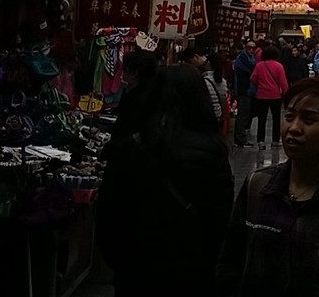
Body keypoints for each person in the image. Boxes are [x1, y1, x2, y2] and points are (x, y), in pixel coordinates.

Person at [215, 79, 319, 297]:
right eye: (289, 117)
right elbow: (230, 263)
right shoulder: (257, 186)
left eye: (308, 119)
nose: (294, 128)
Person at [97, 65, 233, 297]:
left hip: (137, 269)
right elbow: (220, 219)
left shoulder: (131, 147)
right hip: (192, 271)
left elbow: (109, 212)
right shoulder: (213, 151)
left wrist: (120, 262)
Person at [106, 49, 158, 156]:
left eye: (125, 70)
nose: (122, 74)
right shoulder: (152, 95)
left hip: (128, 157)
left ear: (134, 73)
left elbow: (125, 132)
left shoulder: (136, 100)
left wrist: (109, 150)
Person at [251, 44, 289, 149]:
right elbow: (283, 82)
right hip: (275, 95)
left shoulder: (259, 65)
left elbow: (253, 78)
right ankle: (275, 140)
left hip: (262, 95)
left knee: (262, 119)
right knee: (276, 119)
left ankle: (261, 141)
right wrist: (286, 94)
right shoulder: (278, 66)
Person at [232, 40, 257, 147]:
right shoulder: (242, 58)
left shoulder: (250, 58)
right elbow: (251, 70)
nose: (251, 50)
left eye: (253, 48)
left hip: (248, 90)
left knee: (245, 114)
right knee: (243, 115)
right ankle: (240, 139)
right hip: (244, 90)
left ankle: (241, 137)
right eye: (249, 48)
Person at [203, 52, 228, 128]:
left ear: (209, 63)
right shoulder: (223, 81)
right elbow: (223, 100)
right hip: (218, 114)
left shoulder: (204, 80)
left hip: (207, 115)